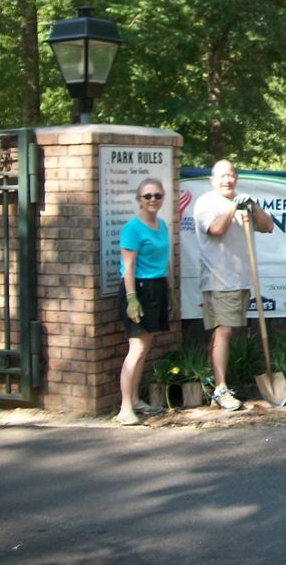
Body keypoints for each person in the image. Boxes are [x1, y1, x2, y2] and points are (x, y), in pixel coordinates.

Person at [193, 159, 274, 411]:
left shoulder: (244, 201)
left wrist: (253, 207)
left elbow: (268, 226)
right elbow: (216, 229)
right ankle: (220, 389)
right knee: (223, 331)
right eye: (222, 176)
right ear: (212, 179)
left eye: (231, 175)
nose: (228, 180)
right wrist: (232, 208)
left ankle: (219, 383)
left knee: (226, 332)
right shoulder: (206, 202)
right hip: (218, 279)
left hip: (240, 280)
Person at [115, 178, 172, 426]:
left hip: (157, 287)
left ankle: (136, 399)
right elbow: (128, 266)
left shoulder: (162, 226)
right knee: (136, 349)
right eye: (147, 196)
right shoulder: (133, 228)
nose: (152, 200)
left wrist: (169, 291)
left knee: (145, 348)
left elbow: (164, 262)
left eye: (157, 196)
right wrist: (131, 299)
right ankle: (125, 407)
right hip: (137, 288)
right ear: (139, 199)